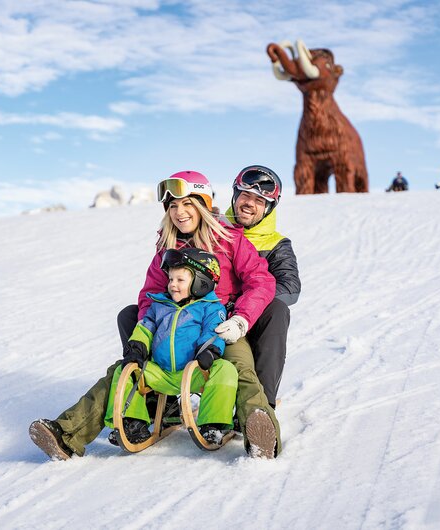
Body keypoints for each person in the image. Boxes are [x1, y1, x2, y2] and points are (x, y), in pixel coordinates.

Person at [30, 170, 280, 461]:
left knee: (239, 367)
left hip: (217, 326)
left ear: (201, 204)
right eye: (173, 206)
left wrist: (240, 319)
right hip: (172, 326)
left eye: (187, 204)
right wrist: (145, 336)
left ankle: (261, 437)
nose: (179, 212)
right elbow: (149, 295)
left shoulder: (229, 240)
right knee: (121, 371)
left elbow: (261, 281)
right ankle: (66, 434)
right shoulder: (166, 249)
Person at [104, 248, 238, 446]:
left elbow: (212, 332)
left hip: (195, 372)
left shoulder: (210, 307)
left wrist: (209, 351)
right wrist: (137, 348)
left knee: (226, 370)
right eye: (171, 279)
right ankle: (131, 422)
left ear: (201, 282)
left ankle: (213, 425)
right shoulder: (160, 305)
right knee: (125, 370)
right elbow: (145, 327)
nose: (172, 285)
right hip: (161, 373)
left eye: (180, 280)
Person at [222, 165, 301, 410]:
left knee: (277, 310)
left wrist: (244, 306)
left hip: (252, 322)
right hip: (209, 311)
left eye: (258, 200)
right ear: (235, 196)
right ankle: (159, 401)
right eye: (245, 195)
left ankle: (261, 407)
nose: (249, 203)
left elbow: (290, 286)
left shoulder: (276, 244)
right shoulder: (214, 231)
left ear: (268, 207)